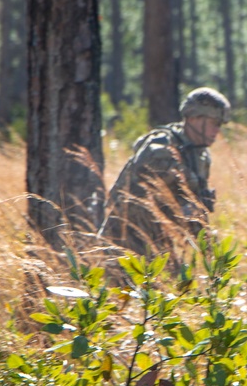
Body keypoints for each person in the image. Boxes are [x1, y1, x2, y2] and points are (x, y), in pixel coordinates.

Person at [99, 87, 231, 259]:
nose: (216, 131)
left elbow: (194, 209)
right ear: (193, 118)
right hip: (124, 241)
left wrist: (213, 255)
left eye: (219, 125)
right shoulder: (160, 147)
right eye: (214, 123)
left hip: (158, 243)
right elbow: (139, 200)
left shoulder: (200, 155)